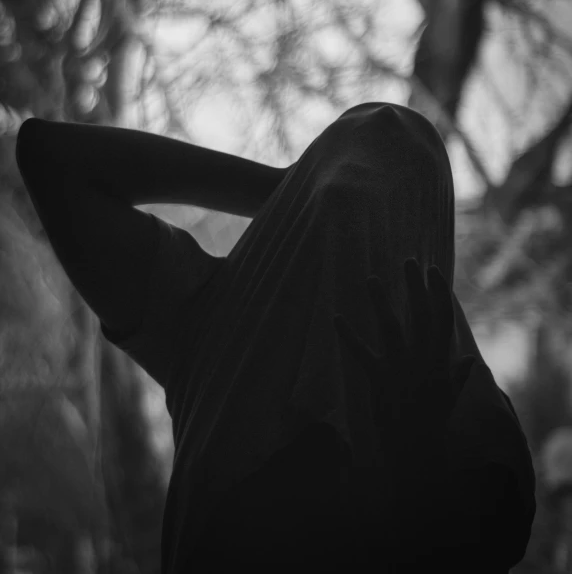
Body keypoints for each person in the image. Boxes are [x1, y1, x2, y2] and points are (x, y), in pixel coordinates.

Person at [16, 102, 536, 572]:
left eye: (385, 218)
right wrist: (290, 188)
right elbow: (50, 156)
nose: (350, 231)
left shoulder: (466, 415)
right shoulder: (217, 324)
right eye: (338, 203)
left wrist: (421, 444)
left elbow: (486, 538)